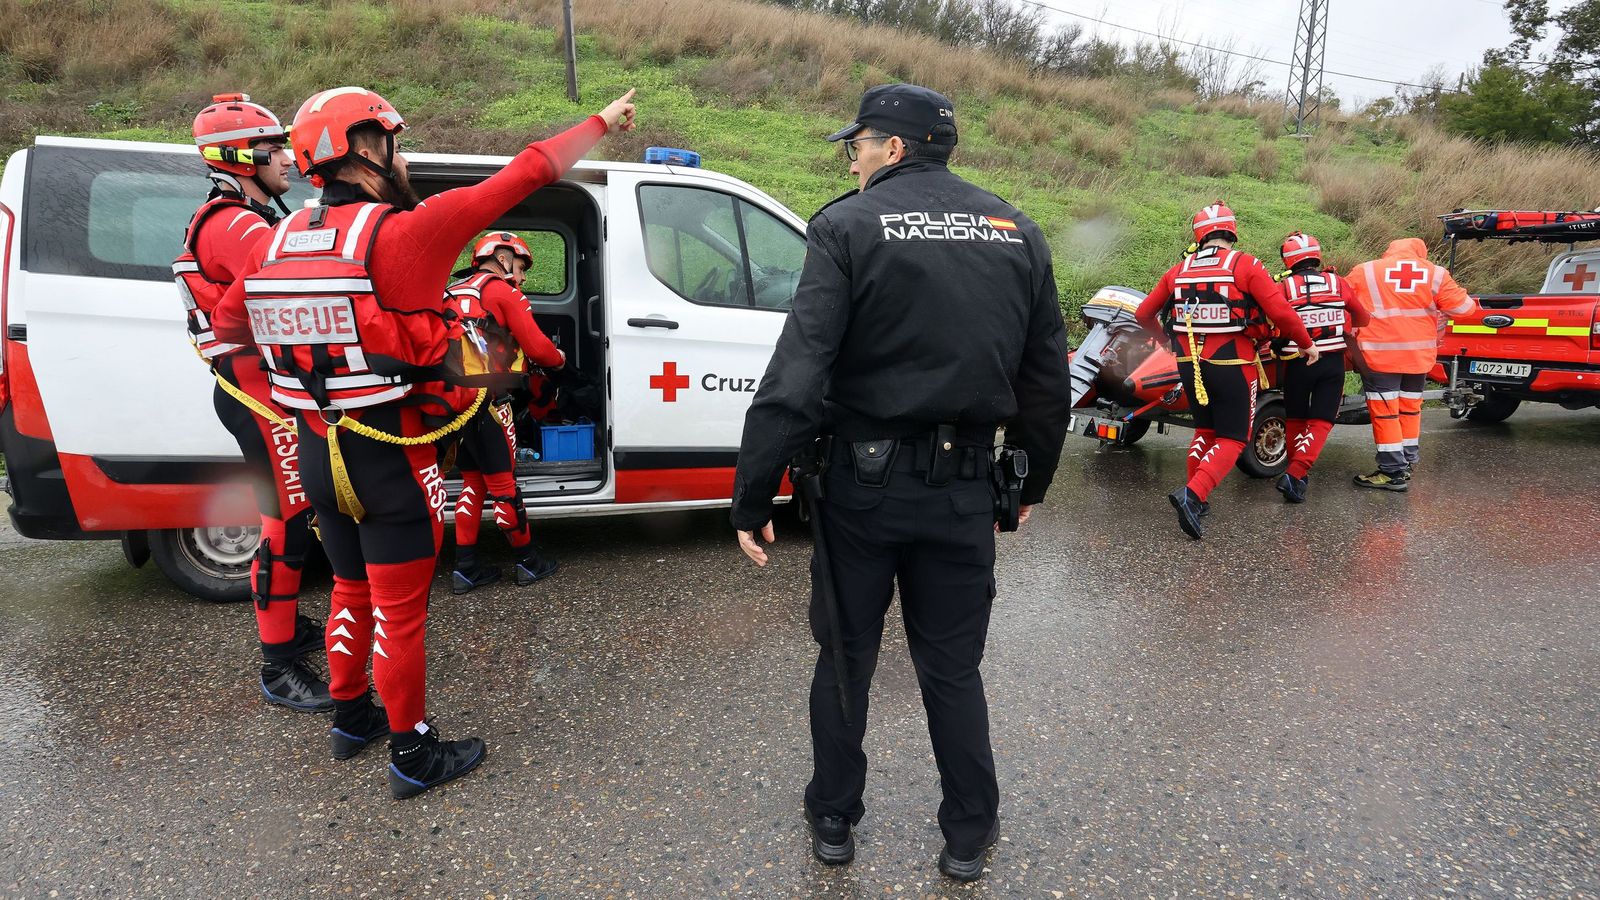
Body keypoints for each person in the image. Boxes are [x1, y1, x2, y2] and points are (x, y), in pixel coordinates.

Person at [211, 85, 637, 797]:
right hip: (391, 457)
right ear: (368, 149)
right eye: (394, 143)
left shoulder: (274, 239)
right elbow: (527, 171)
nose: (401, 156)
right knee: (401, 615)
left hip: (318, 451)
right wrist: (601, 120)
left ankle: (351, 719)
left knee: (350, 587)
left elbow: (229, 326)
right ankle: (412, 754)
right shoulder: (410, 232)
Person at [730, 84, 1072, 883]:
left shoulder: (847, 226)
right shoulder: (1014, 229)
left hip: (862, 491)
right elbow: (1045, 380)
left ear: (892, 146)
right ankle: (967, 834)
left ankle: (834, 819)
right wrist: (1028, 485)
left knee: (847, 657)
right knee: (952, 666)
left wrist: (753, 493)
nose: (851, 158)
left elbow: (797, 375)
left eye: (858, 144)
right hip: (962, 490)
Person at [173, 93, 328, 711]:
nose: (287, 158)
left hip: (262, 390)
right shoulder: (236, 224)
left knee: (293, 516)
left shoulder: (244, 214)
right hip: (258, 396)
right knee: (285, 523)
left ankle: (288, 629)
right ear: (240, 157)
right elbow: (288, 289)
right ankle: (278, 665)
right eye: (275, 149)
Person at [1135, 202, 1319, 539]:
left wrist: (1166, 342)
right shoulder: (1244, 265)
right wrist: (1306, 343)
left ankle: (1198, 495)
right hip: (1234, 364)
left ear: (1200, 235)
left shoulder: (1179, 270)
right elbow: (1280, 312)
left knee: (1205, 431)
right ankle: (1193, 496)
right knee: (1233, 438)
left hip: (1190, 363)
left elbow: (1144, 313)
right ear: (1231, 232)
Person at [444, 231, 567, 594]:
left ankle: (465, 568)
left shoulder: (451, 291)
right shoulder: (501, 291)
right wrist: (560, 362)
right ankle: (529, 561)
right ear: (502, 257)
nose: (523, 277)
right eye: (521, 266)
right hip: (492, 401)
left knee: (472, 482)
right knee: (503, 485)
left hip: (456, 404)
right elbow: (538, 347)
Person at [1346, 238, 1474, 491]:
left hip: (1380, 356)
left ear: (1389, 250)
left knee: (1386, 413)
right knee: (1409, 409)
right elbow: (1465, 308)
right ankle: (1406, 461)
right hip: (1418, 358)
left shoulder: (1366, 270)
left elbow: (1341, 299)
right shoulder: (1435, 273)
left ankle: (1391, 472)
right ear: (1420, 253)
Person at [1273, 231, 1368, 503]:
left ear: (1287, 261)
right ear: (1317, 256)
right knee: (1322, 420)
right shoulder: (1338, 283)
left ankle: (1297, 478)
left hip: (1297, 363)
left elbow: (1277, 323)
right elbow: (1362, 317)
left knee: (1296, 419)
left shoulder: (1285, 287)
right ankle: (1295, 474)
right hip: (1331, 362)